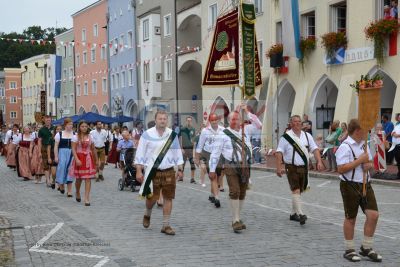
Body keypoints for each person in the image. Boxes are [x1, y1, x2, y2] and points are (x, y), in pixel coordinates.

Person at [335, 119, 382, 262]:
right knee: (351, 217)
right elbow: (341, 169)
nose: (367, 133)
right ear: (357, 131)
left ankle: (366, 247)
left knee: (373, 215)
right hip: (350, 184)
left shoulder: (364, 145)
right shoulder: (345, 146)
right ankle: (349, 249)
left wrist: (369, 165)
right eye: (365, 130)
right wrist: (360, 161)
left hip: (365, 184)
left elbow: (368, 163)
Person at [209, 104, 261, 232]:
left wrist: (246, 111)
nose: (235, 121)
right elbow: (215, 152)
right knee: (235, 191)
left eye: (238, 119)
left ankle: (238, 216)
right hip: (231, 165)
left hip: (245, 166)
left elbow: (259, 125)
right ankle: (235, 220)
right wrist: (211, 169)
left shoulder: (246, 130)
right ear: (229, 121)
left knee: (242, 192)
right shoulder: (223, 134)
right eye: (233, 119)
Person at [135, 110, 184, 236]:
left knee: (168, 197)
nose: (162, 121)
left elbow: (177, 153)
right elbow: (140, 154)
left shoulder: (172, 134)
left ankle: (166, 225)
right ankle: (148, 213)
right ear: (155, 120)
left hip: (168, 170)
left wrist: (180, 169)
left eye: (164, 119)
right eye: (160, 119)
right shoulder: (147, 135)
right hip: (152, 171)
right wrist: (139, 171)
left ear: (167, 121)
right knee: (151, 198)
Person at [275, 115, 324, 225]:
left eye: (299, 122)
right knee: (296, 189)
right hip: (291, 167)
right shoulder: (285, 137)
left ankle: (293, 214)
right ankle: (301, 214)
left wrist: (319, 161)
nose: (297, 124)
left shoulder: (307, 136)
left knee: (298, 191)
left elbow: (315, 149)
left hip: (303, 167)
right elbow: (279, 152)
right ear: (291, 124)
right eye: (295, 122)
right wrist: (278, 167)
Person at [195, 113, 225, 208]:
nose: (214, 122)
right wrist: (197, 158)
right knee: (213, 176)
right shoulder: (205, 131)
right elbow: (200, 145)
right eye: (212, 120)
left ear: (218, 120)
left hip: (219, 155)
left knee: (218, 176)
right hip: (208, 154)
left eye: (216, 120)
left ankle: (212, 195)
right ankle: (217, 198)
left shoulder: (223, 130)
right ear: (210, 121)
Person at [69, 121, 98, 206]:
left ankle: (87, 198)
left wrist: (96, 160)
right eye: (82, 126)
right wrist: (77, 159)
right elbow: (73, 149)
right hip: (79, 158)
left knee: (88, 178)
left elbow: (93, 149)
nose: (84, 128)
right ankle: (77, 191)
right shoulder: (75, 137)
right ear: (79, 127)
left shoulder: (90, 137)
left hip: (88, 159)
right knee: (79, 179)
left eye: (86, 126)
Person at [54, 119, 75, 197]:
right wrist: (56, 156)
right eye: (69, 124)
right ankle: (61, 185)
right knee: (61, 168)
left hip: (71, 153)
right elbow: (55, 146)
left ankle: (69, 191)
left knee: (70, 170)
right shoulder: (59, 134)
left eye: (72, 124)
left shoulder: (74, 134)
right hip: (62, 153)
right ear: (65, 125)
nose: (71, 126)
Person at [179, 116, 197, 183]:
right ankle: (181, 177)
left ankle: (192, 178)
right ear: (186, 121)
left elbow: (194, 139)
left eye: (190, 120)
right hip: (184, 148)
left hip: (190, 149)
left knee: (192, 164)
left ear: (191, 121)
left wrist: (194, 147)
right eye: (188, 120)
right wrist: (181, 148)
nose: (189, 122)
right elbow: (180, 138)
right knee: (182, 164)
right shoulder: (182, 128)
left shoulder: (193, 129)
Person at [38, 115, 54, 186]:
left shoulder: (54, 128)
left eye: (49, 120)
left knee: (52, 164)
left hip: (53, 148)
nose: (48, 121)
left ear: (51, 120)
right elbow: (39, 141)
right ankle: (47, 180)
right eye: (47, 120)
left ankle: (50, 178)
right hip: (44, 147)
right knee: (46, 164)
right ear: (44, 121)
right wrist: (39, 151)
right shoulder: (41, 130)